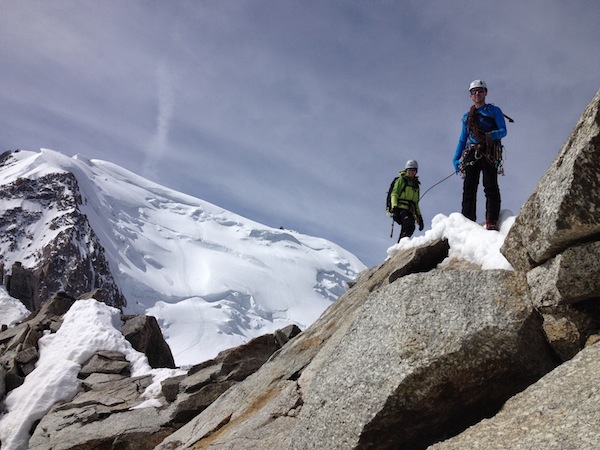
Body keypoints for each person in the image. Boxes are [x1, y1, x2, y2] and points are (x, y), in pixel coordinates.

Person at [452, 80, 507, 230]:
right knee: (469, 188)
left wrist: (491, 135)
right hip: (472, 152)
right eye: (473, 92)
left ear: (485, 93)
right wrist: (456, 158)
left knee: (490, 186)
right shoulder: (467, 117)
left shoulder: (494, 111)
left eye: (479, 91)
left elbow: (503, 130)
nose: (477, 94)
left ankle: (491, 221)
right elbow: (463, 138)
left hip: (489, 150)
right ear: (470, 96)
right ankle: (467, 222)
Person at [390, 159, 424, 242]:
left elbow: (415, 203)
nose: (411, 172)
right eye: (410, 170)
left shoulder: (416, 185)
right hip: (400, 208)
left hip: (410, 210)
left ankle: (400, 246)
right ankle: (401, 246)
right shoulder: (401, 180)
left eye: (413, 170)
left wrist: (419, 217)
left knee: (411, 227)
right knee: (408, 226)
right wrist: (394, 207)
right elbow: (394, 193)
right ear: (406, 170)